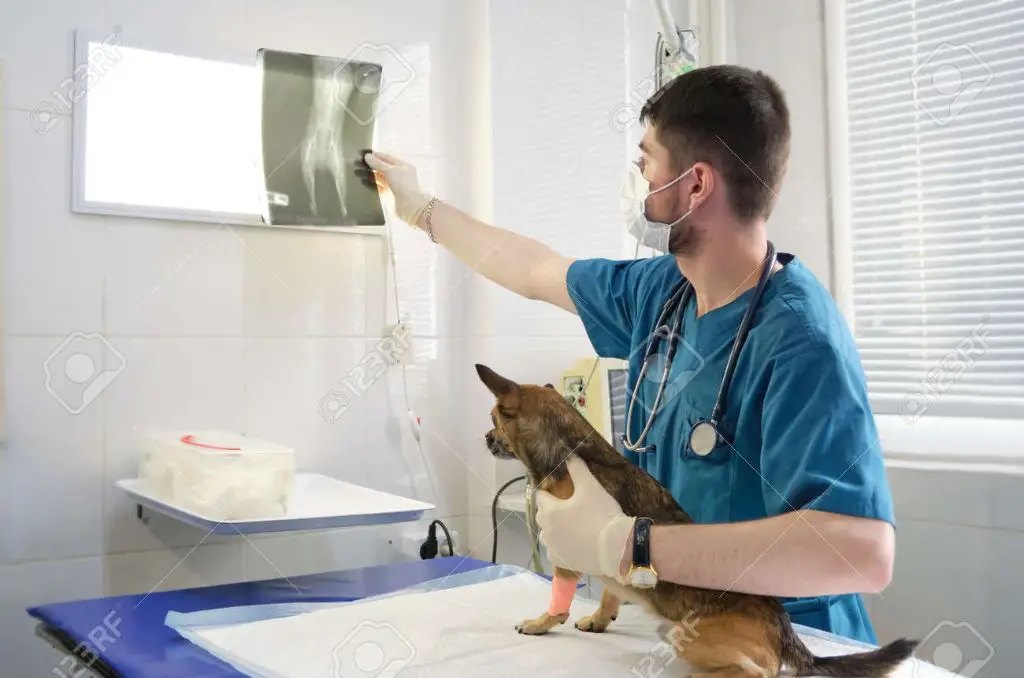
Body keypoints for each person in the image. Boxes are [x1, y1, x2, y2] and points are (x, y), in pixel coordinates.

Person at [364, 64, 896, 645]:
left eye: (645, 161)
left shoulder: (799, 339)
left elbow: (859, 553)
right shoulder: (661, 292)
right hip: (687, 633)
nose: (637, 177)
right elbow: (537, 270)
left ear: (695, 186)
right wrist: (420, 210)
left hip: (792, 646)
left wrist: (633, 544)